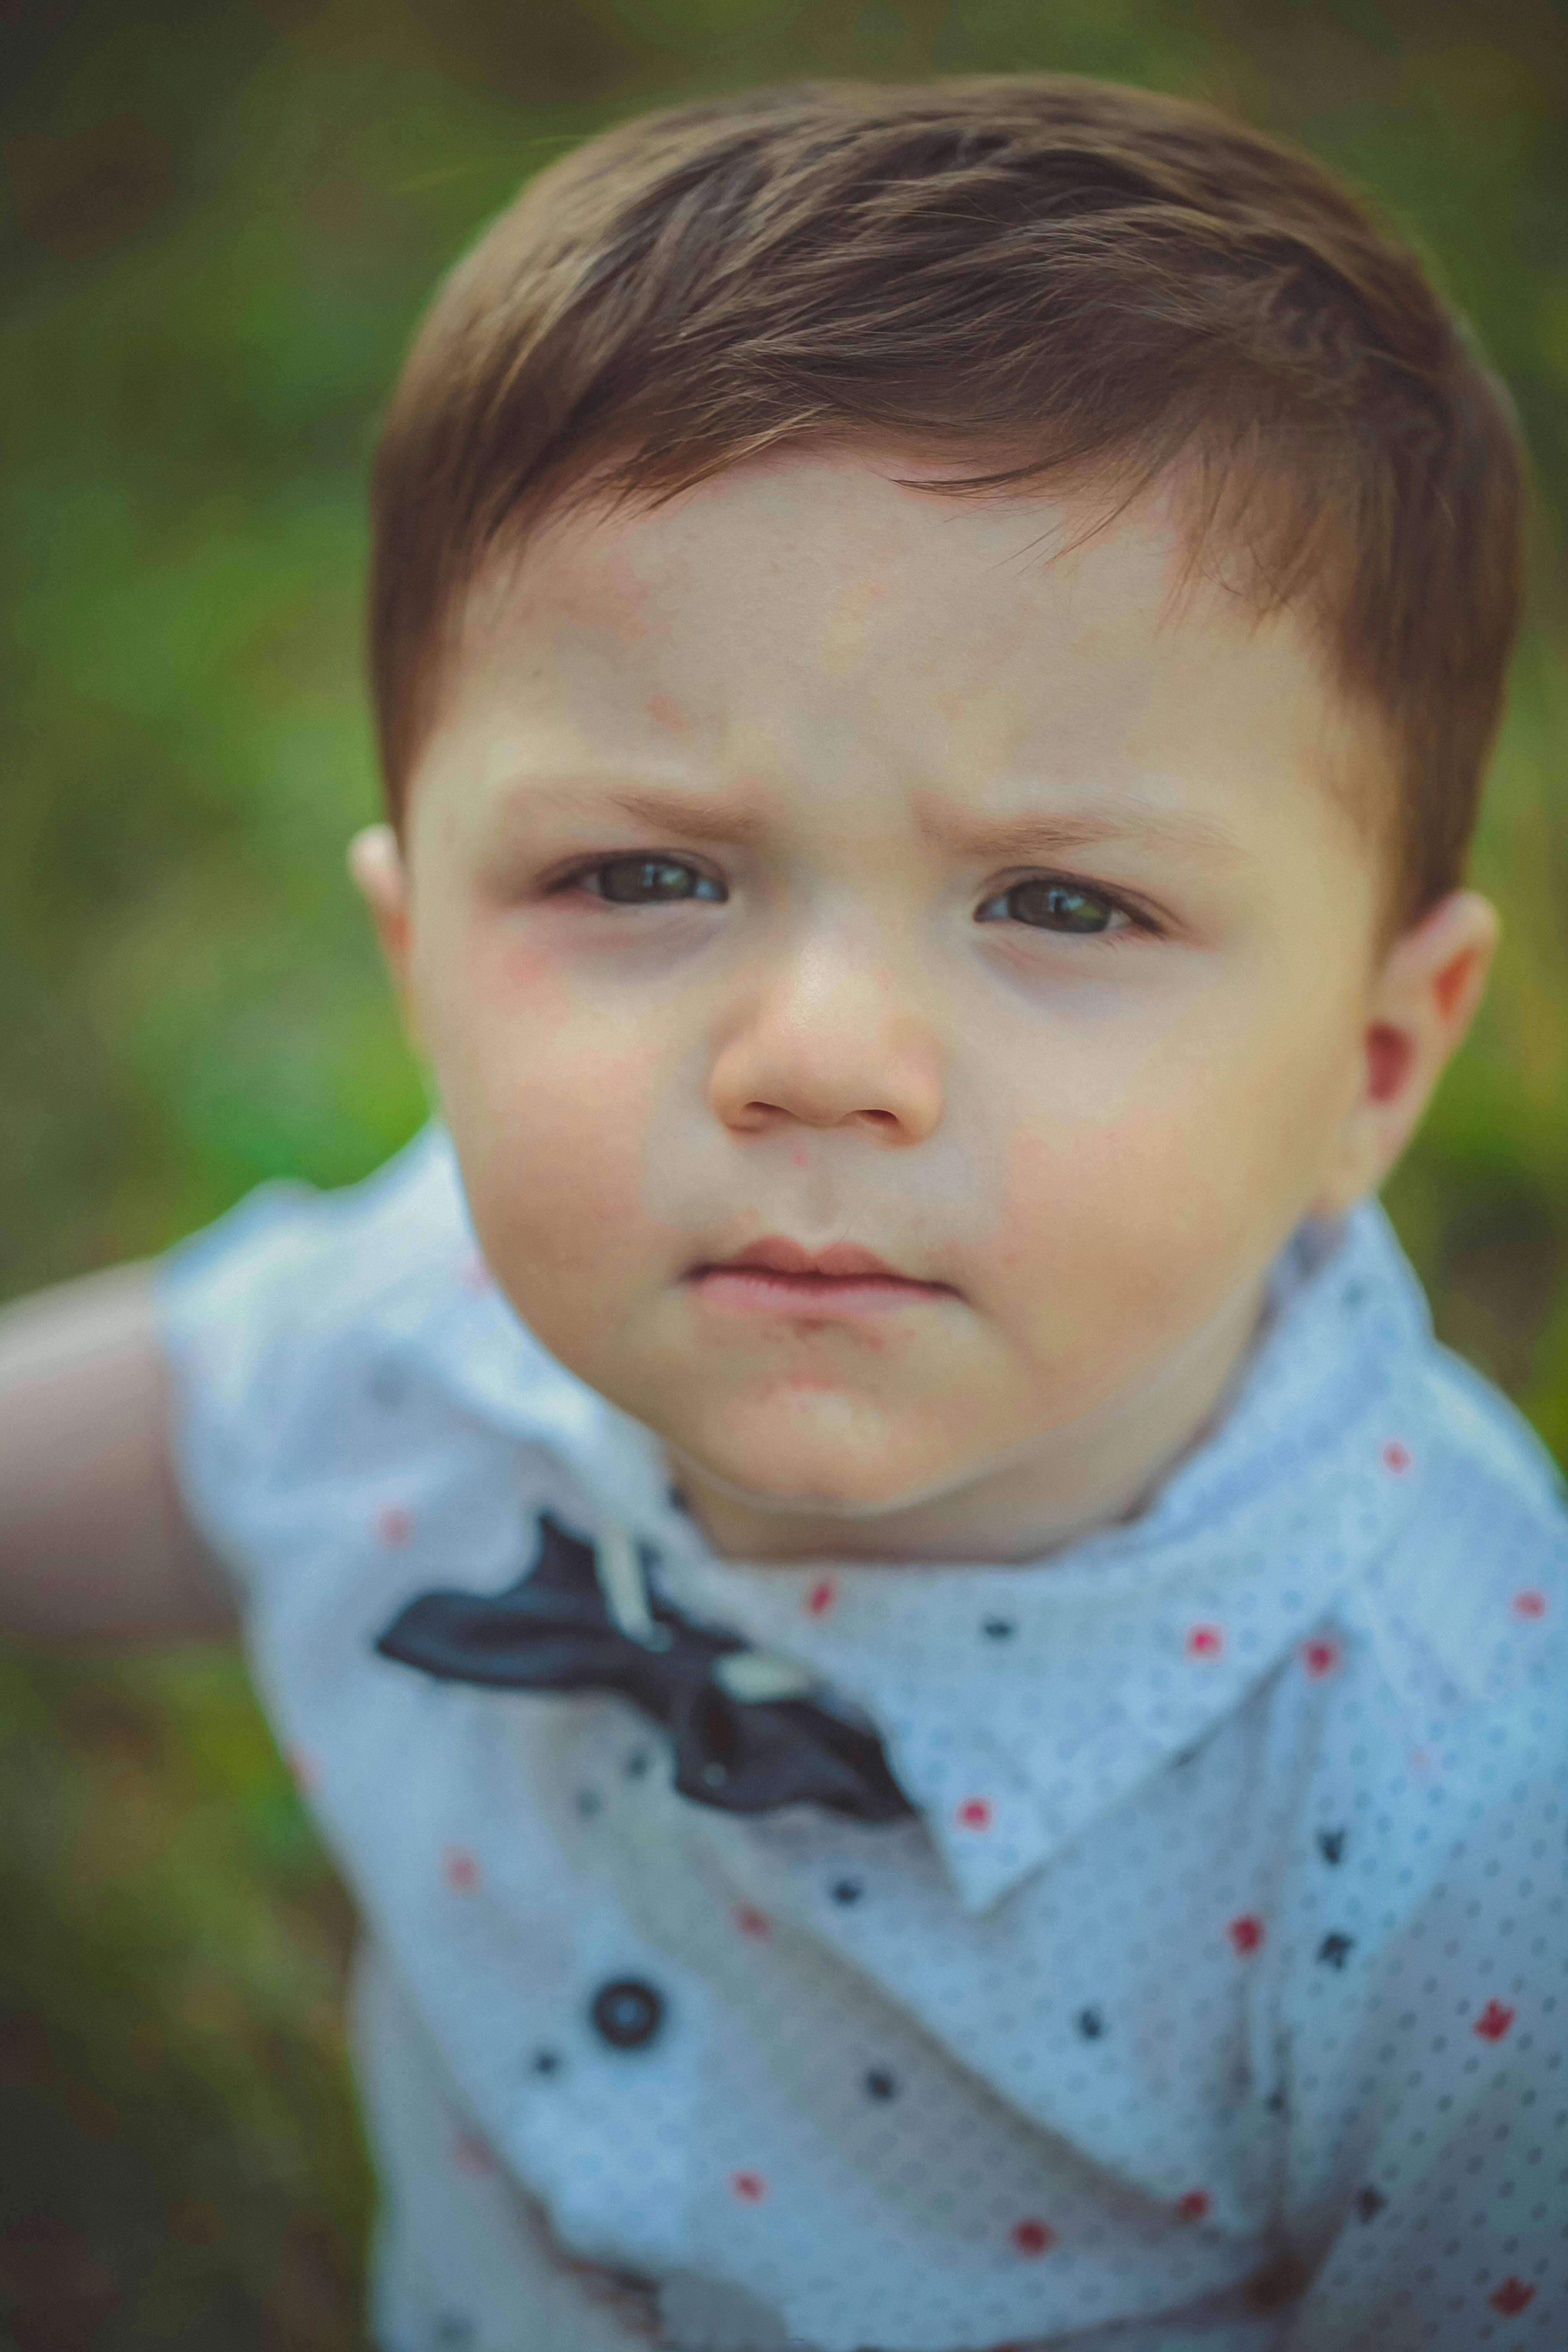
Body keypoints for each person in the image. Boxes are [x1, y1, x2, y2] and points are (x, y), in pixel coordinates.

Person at [1, 73, 1563, 2352]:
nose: (820, 1050)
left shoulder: (1469, 1825)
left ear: (1374, 1064)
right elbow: (165, 1439)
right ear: (415, 954)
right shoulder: (425, 1328)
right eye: (644, 874)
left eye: (1062, 901)